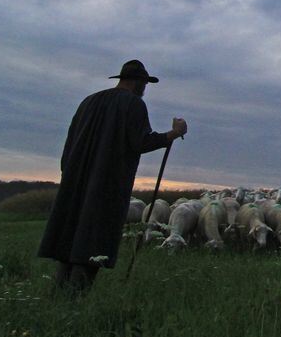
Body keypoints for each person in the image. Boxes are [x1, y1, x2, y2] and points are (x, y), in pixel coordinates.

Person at [37, 59, 187, 292]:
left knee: (70, 237)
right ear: (137, 83)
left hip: (74, 183)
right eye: (144, 84)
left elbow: (69, 144)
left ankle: (58, 296)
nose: (145, 89)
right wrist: (174, 134)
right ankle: (76, 298)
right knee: (93, 241)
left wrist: (70, 175)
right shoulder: (134, 104)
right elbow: (140, 142)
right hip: (106, 185)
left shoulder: (88, 101)